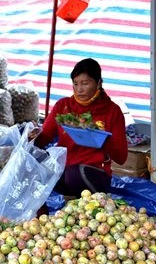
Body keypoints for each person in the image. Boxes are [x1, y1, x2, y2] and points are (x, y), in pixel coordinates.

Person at [32, 58, 128, 197]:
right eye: (75, 84)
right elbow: (45, 138)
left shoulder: (113, 111)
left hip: (95, 173)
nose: (79, 90)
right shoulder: (63, 106)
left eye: (85, 83)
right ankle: (40, 215)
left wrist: (101, 138)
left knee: (74, 174)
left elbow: (121, 157)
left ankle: (88, 205)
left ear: (99, 83)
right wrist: (32, 136)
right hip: (64, 169)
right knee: (34, 170)